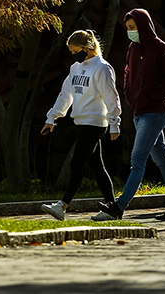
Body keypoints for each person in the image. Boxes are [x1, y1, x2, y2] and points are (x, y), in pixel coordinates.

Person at [93, 8, 165, 222]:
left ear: (143, 26)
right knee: (163, 159)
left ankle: (119, 206)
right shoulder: (132, 49)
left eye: (133, 28)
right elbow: (127, 72)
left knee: (137, 159)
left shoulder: (162, 49)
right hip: (139, 111)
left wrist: (150, 96)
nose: (130, 31)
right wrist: (130, 94)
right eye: (128, 28)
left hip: (155, 112)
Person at [39, 29, 120, 221]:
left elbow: (111, 98)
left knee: (77, 164)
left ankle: (62, 206)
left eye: (76, 51)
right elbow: (65, 95)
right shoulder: (75, 68)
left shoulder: (102, 68)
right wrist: (52, 118)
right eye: (71, 51)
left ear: (88, 47)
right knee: (97, 167)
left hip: (95, 123)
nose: (73, 55)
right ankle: (113, 208)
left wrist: (114, 123)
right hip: (81, 122)